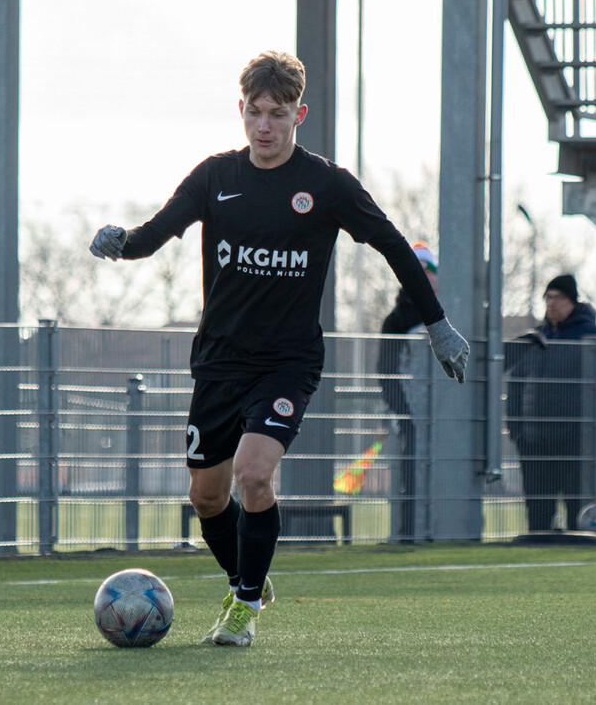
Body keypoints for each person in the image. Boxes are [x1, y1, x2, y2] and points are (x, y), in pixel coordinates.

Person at [89, 51, 469, 646]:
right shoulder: (215, 177)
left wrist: (437, 324)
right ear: (241, 110)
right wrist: (121, 242)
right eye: (256, 113)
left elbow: (394, 244)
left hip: (286, 363)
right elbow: (156, 233)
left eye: (279, 114)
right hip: (218, 362)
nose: (265, 126)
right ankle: (250, 576)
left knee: (253, 475)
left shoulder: (325, 184)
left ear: (300, 114)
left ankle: (243, 609)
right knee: (206, 497)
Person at [506, 274, 596, 533]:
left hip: (573, 437)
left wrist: (594, 425)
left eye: (558, 298)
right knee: (538, 508)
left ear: (572, 301)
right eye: (548, 297)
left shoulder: (592, 337)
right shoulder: (534, 338)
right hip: (533, 439)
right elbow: (515, 384)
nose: (551, 303)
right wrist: (516, 429)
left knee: (577, 505)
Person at [376, 241, 439, 542]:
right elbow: (386, 373)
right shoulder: (396, 320)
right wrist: (403, 412)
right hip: (412, 418)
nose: (425, 277)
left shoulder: (448, 313)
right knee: (411, 476)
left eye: (430, 271)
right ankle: (408, 534)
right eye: (417, 271)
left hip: (444, 419)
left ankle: (444, 533)